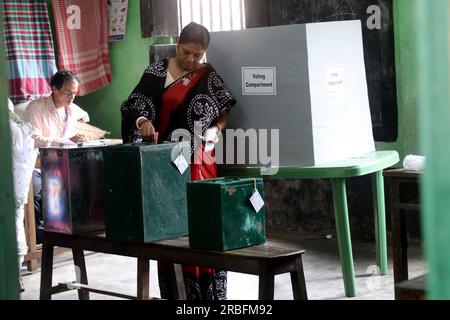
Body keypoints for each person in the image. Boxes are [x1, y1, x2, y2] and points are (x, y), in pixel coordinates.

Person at [121, 22, 236, 300]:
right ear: (177, 44)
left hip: (202, 162)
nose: (191, 60)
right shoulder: (156, 72)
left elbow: (223, 112)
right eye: (186, 52)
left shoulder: (207, 75)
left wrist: (216, 129)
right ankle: (178, 295)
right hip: (168, 165)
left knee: (206, 227)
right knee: (172, 227)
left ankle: (212, 297)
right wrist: (143, 121)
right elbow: (133, 105)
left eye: (198, 55)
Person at [23, 70, 89, 243]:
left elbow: (84, 119)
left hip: (64, 165)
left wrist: (78, 138)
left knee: (87, 181)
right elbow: (35, 139)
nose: (72, 97)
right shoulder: (36, 108)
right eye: (68, 93)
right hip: (38, 166)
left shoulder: (72, 110)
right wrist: (66, 141)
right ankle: (40, 236)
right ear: (54, 88)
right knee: (38, 191)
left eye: (75, 93)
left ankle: (75, 231)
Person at [7, 98, 38, 292]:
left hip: (12, 178)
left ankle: (14, 272)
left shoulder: (12, 122)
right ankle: (14, 273)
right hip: (13, 179)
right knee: (14, 222)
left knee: (14, 222)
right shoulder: (15, 125)